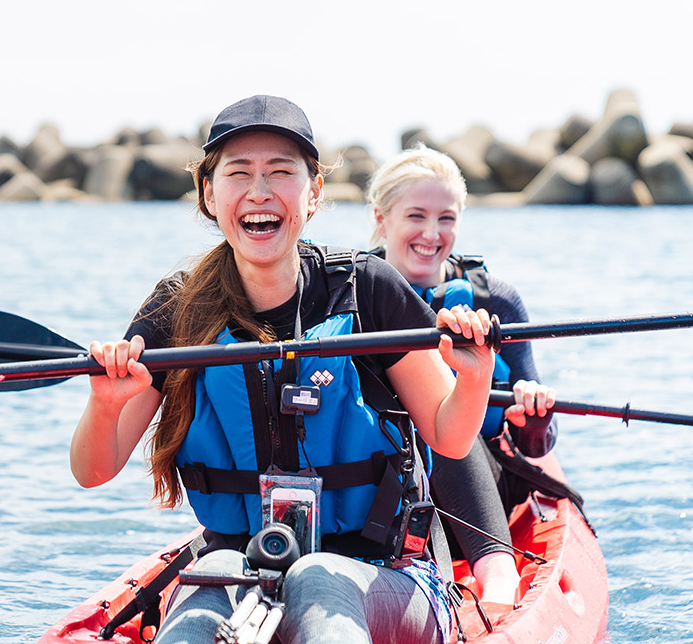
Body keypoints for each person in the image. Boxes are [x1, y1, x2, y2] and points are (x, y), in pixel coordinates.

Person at [69, 96, 495, 644]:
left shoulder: (368, 288)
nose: (259, 192)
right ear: (208, 193)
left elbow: (451, 436)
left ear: (314, 193)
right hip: (239, 564)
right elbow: (92, 470)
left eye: (281, 173)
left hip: (388, 576)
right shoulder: (176, 308)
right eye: (238, 173)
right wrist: (104, 403)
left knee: (316, 580)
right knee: (215, 575)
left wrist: (476, 374)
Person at [366, 143, 558, 613]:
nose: (432, 234)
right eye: (416, 216)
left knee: (447, 418)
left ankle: (497, 577)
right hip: (381, 497)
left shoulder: (497, 302)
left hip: (479, 491)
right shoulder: (352, 296)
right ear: (381, 218)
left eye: (446, 218)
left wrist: (531, 420)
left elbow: (540, 446)